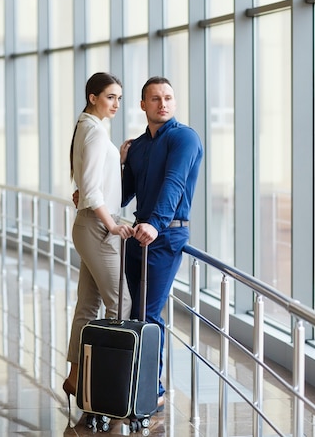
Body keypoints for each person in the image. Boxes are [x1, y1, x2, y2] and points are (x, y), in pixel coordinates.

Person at [121, 76, 203, 410]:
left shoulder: (184, 138)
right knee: (135, 311)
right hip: (139, 233)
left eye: (168, 97)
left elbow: (173, 183)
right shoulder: (139, 146)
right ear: (143, 105)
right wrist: (120, 163)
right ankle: (132, 382)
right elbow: (124, 193)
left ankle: (150, 389)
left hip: (166, 234)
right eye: (155, 99)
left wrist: (155, 224)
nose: (163, 104)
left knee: (149, 312)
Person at [62, 72, 134, 407]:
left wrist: (115, 160)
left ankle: (78, 379)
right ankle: (105, 380)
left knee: (88, 305)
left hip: (91, 225)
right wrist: (114, 226)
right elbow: (89, 191)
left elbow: (89, 181)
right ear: (93, 97)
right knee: (121, 304)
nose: (116, 103)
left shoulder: (91, 128)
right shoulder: (92, 131)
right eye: (110, 97)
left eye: (119, 98)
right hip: (98, 227)